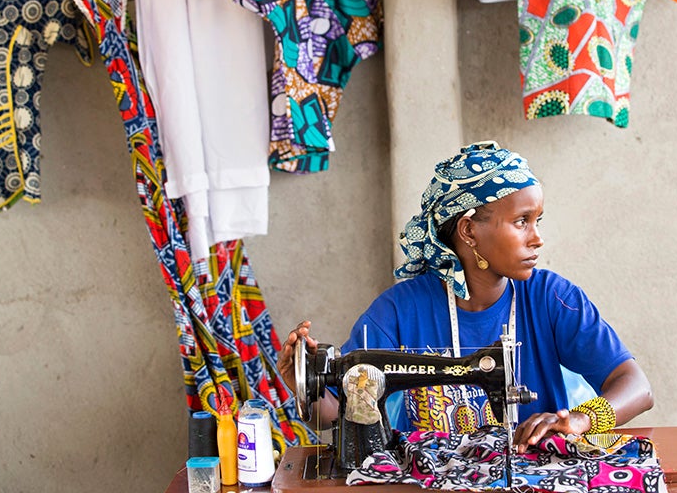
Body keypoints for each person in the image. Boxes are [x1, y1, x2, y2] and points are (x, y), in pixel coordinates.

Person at [277, 141, 653, 452]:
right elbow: (334, 413)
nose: (537, 238)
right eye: (522, 221)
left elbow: (635, 385)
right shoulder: (398, 312)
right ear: (469, 230)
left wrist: (579, 419)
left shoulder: (551, 298)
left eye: (538, 221)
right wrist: (303, 386)